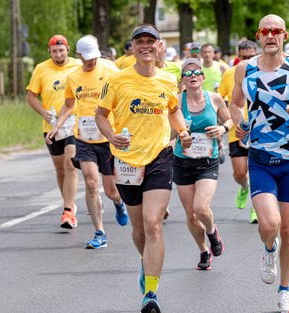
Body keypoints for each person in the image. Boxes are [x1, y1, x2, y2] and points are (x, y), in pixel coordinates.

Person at [230, 14, 289, 313]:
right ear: (259, 36)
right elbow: (234, 104)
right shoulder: (244, 69)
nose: (271, 35)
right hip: (259, 159)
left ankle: (285, 292)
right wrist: (238, 123)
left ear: (284, 35)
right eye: (265, 31)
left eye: (276, 31)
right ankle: (269, 250)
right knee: (270, 225)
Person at [96, 24, 192, 313]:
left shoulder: (166, 81)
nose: (146, 46)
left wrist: (183, 131)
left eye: (151, 41)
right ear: (133, 47)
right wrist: (111, 135)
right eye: (140, 42)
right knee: (138, 228)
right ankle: (146, 261)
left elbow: (174, 109)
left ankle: (151, 293)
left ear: (159, 46)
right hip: (126, 160)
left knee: (153, 223)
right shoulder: (117, 80)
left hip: (160, 156)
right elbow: (100, 114)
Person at [46, 35, 128, 249]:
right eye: (87, 58)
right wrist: (56, 126)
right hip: (84, 137)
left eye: (94, 57)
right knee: (91, 182)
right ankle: (99, 232)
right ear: (79, 55)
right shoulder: (73, 78)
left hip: (108, 136)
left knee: (111, 191)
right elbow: (68, 104)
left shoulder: (110, 70)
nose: (91, 61)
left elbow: (126, 93)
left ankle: (118, 203)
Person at [174, 58, 231, 270]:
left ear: (203, 77)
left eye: (196, 72)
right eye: (187, 74)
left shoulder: (214, 99)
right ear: (183, 80)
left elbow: (229, 120)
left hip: (207, 161)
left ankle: (212, 231)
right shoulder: (176, 101)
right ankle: (203, 250)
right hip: (182, 161)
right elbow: (169, 132)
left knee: (201, 208)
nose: (192, 76)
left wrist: (222, 129)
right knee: (190, 214)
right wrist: (180, 136)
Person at [26, 35, 81, 229]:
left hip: (73, 121)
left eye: (62, 50)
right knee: (60, 169)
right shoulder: (41, 69)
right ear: (49, 52)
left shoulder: (78, 65)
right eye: (55, 51)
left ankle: (67, 211)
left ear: (68, 50)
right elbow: (31, 96)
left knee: (70, 165)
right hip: (51, 124)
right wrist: (43, 112)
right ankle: (70, 203)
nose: (59, 54)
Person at [218, 40, 259, 223]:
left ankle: (256, 209)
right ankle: (244, 187)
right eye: (244, 57)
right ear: (238, 57)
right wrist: (226, 123)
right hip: (238, 130)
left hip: (260, 131)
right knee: (240, 173)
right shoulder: (230, 74)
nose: (248, 61)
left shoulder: (264, 73)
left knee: (258, 172)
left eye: (251, 57)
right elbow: (221, 101)